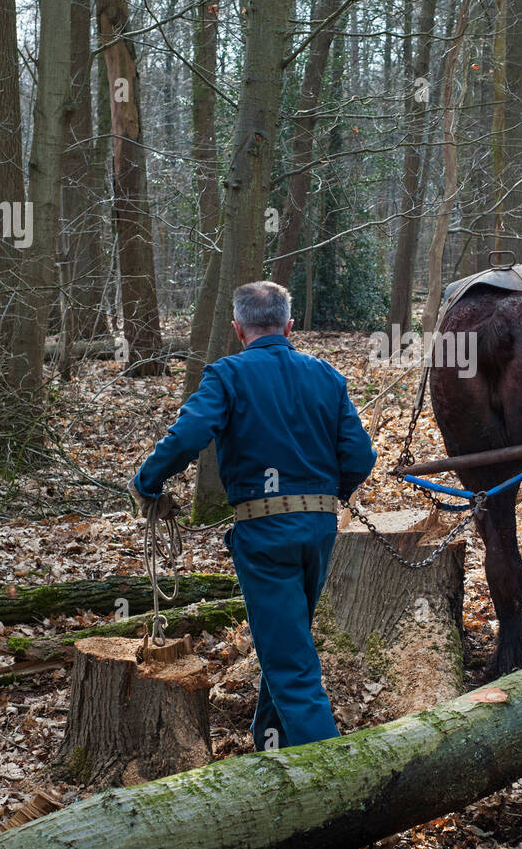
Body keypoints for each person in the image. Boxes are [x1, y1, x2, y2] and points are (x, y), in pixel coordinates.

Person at [129, 280, 376, 750]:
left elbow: (188, 436)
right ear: (288, 325)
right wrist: (328, 493)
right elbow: (361, 456)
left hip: (265, 534)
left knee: (290, 661)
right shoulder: (326, 375)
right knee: (287, 643)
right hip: (320, 527)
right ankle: (270, 748)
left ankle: (335, 780)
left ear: (238, 328)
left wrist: (148, 483)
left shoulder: (227, 375)